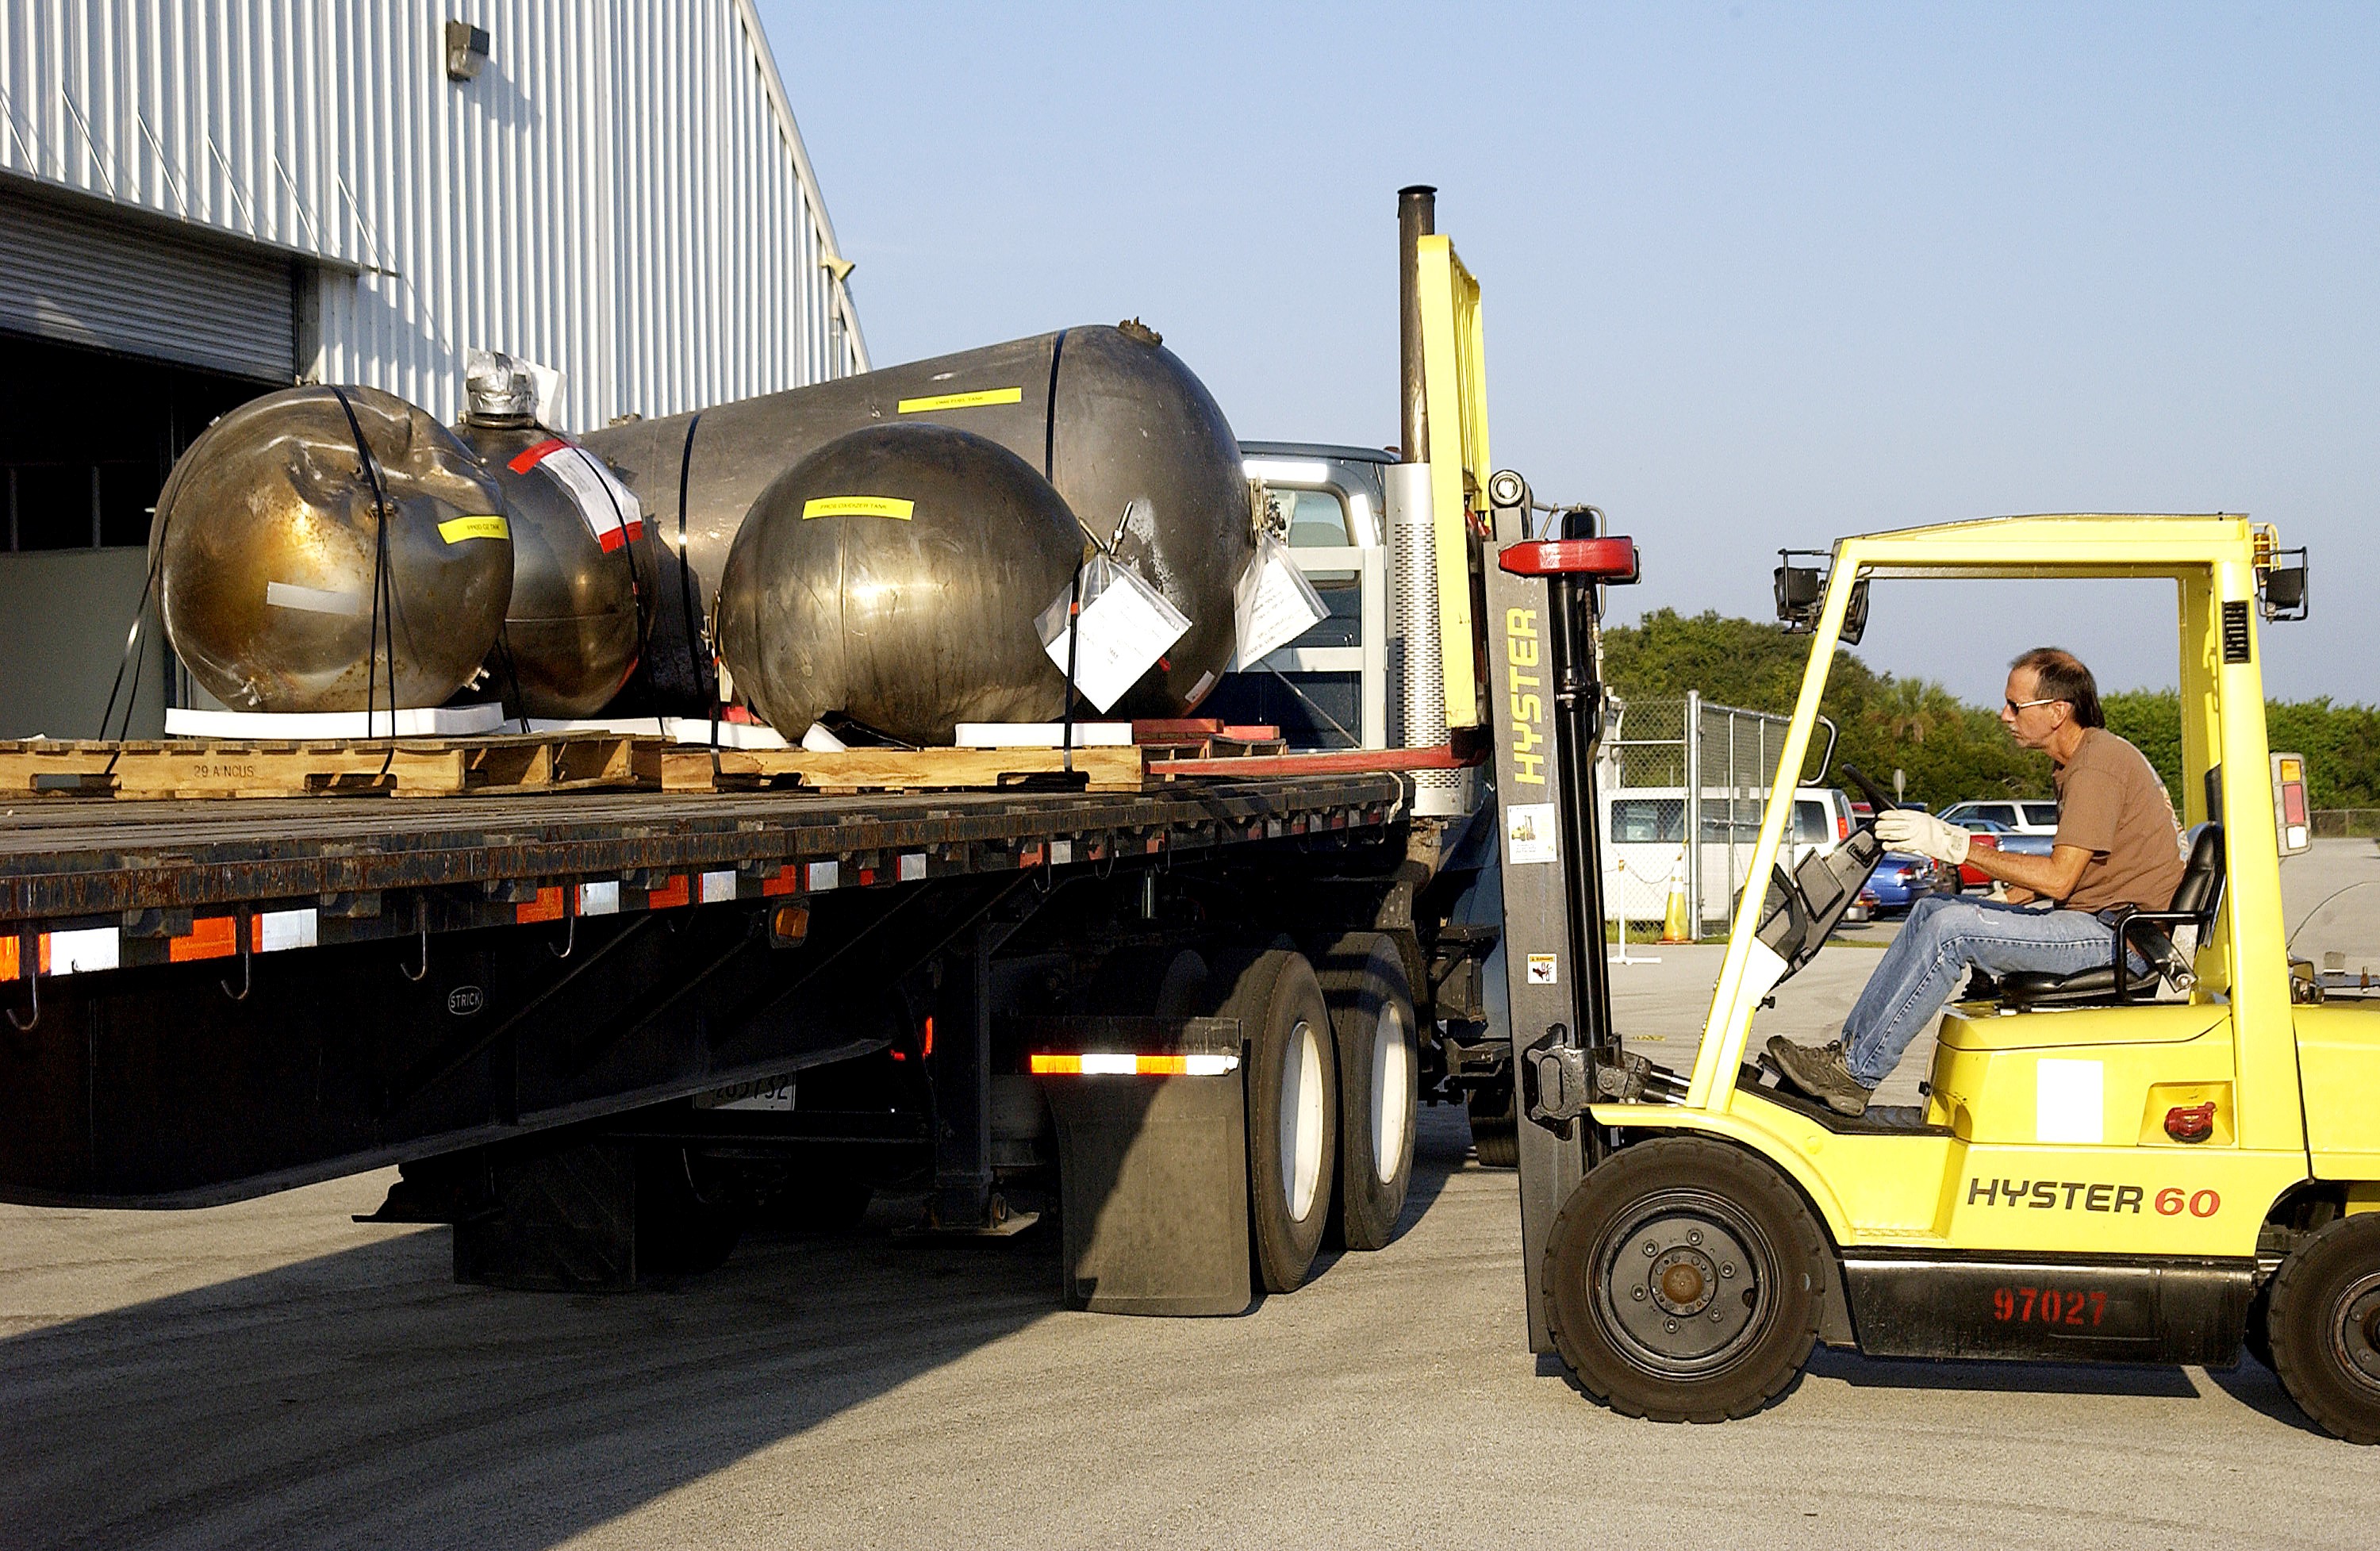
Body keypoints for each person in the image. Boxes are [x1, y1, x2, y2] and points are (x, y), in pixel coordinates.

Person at [1766, 647, 2186, 1117]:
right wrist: (2003, 897)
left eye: (2015, 706)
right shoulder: (2079, 762)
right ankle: (1846, 1053)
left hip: (2117, 939)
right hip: (2100, 923)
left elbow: (2061, 878)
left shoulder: (2096, 766)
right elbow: (2079, 866)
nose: (2003, 715)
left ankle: (1857, 1073)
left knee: (1953, 930)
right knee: (1932, 911)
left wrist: (1956, 845)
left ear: (2057, 712)